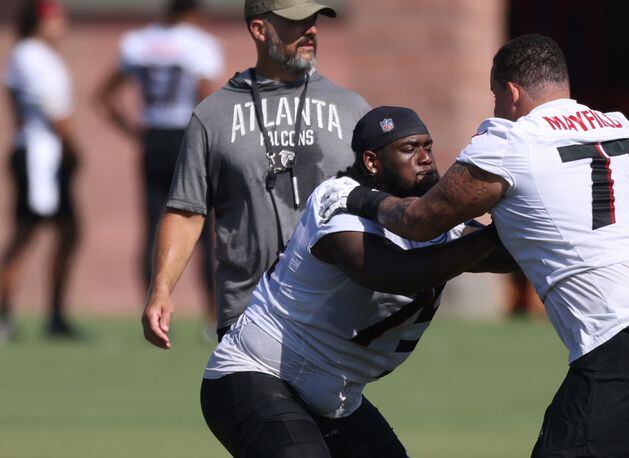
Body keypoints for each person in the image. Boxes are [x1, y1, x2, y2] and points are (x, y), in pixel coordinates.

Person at [320, 35, 629, 457]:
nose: (494, 108)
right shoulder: (617, 128)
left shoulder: (512, 140)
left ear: (510, 92)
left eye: (493, 97)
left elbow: (418, 222)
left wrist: (355, 196)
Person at [200, 106, 515, 457]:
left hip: (337, 398)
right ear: (372, 161)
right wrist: (491, 237)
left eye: (428, 146)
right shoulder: (338, 200)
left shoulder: (431, 219)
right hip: (258, 374)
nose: (425, 158)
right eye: (410, 149)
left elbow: (506, 256)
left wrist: (525, 209)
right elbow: (395, 273)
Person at [140, 0, 370, 349]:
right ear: (260, 30)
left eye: (314, 20)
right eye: (297, 22)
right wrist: (161, 288)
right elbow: (186, 212)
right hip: (247, 317)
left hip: (334, 316)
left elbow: (380, 206)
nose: (311, 30)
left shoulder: (353, 110)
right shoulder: (212, 115)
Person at [96, 0, 223, 335]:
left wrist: (134, 130)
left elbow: (103, 95)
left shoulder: (138, 42)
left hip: (153, 139)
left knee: (153, 226)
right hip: (187, 137)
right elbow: (207, 98)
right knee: (201, 228)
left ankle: (150, 309)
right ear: (193, 11)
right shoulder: (198, 44)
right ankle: (212, 315)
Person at [0, 0, 82, 341]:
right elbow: (54, 112)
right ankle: (5, 315)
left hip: (42, 152)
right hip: (40, 155)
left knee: (68, 231)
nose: (61, 23)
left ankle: (56, 314)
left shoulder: (31, 55)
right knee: (26, 234)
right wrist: (73, 147)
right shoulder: (32, 55)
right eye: (55, 18)